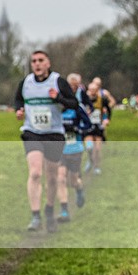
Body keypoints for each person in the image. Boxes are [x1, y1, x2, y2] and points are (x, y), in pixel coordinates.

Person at [14, 50, 78, 233]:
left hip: (53, 134)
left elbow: (73, 103)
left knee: (52, 176)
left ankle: (49, 208)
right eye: (34, 61)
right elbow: (18, 99)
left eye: (41, 60)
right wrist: (19, 110)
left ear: (48, 63)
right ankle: (35, 215)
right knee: (35, 172)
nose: (37, 64)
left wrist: (57, 98)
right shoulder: (25, 83)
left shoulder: (58, 81)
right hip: (32, 132)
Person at [56, 92, 92, 222]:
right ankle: (64, 210)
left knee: (73, 180)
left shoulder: (76, 108)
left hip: (74, 148)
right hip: (59, 150)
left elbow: (88, 124)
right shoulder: (54, 110)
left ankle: (79, 189)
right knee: (60, 178)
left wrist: (76, 128)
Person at [83, 78, 113, 175]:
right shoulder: (84, 99)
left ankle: (97, 167)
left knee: (98, 149)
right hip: (88, 126)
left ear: (97, 90)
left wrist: (106, 119)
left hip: (98, 126)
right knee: (89, 147)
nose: (92, 92)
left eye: (94, 91)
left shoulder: (102, 99)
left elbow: (108, 110)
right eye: (91, 90)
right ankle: (90, 161)